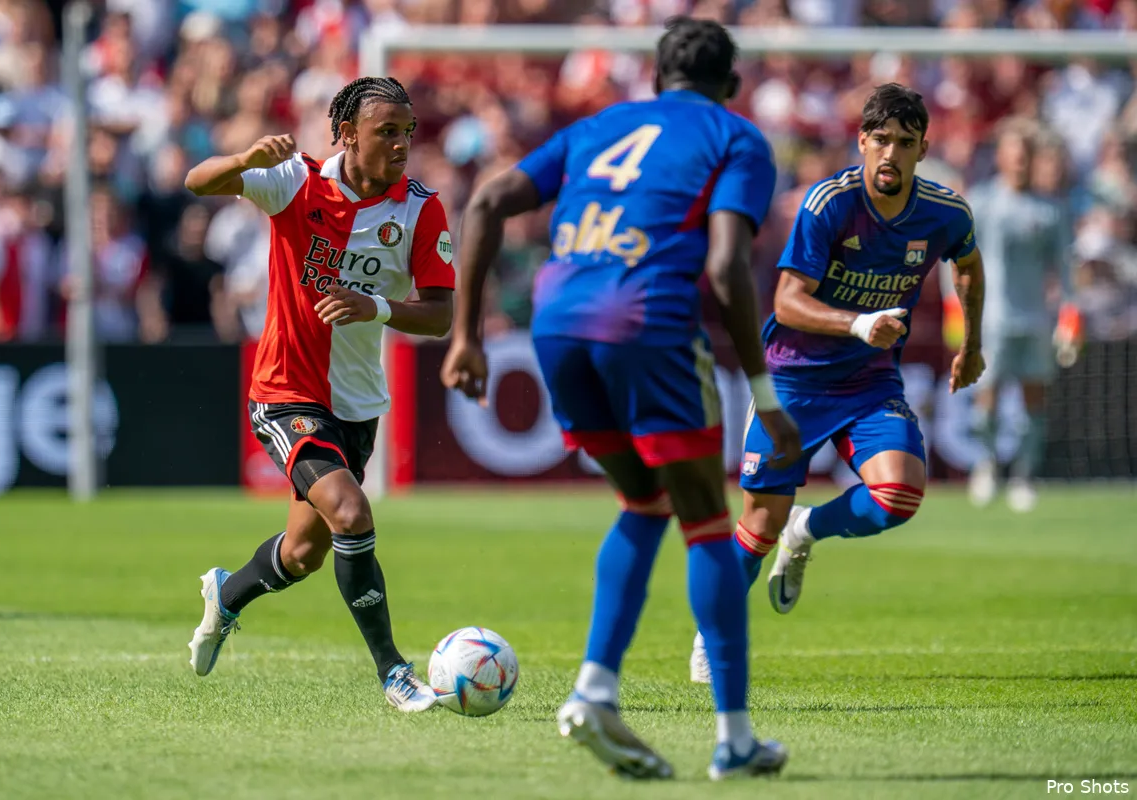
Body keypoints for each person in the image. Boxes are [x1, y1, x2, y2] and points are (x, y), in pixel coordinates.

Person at [442, 17, 801, 782]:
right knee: (708, 519)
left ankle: (596, 689)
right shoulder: (737, 139)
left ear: (654, 77)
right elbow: (731, 267)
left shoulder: (599, 126)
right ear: (729, 85)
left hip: (557, 321)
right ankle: (734, 740)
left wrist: (465, 336)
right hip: (645, 320)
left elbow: (484, 203)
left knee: (643, 505)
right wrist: (766, 395)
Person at [690, 83, 988, 682]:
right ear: (861, 141)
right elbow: (787, 300)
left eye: (905, 144)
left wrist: (972, 346)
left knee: (899, 496)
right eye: (880, 140)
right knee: (758, 526)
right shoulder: (829, 203)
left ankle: (811, 526)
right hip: (794, 379)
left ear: (923, 149)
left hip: (870, 380)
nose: (890, 155)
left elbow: (969, 267)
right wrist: (859, 322)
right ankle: (713, 633)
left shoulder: (946, 212)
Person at [182, 77, 456, 712]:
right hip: (284, 391)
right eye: (387, 131)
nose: (401, 144)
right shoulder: (294, 180)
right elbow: (199, 182)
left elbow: (439, 316)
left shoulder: (421, 208)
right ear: (347, 133)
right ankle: (394, 672)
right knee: (353, 514)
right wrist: (246, 162)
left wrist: (376, 306)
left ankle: (227, 596)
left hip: (356, 403)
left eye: (407, 132)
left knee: (303, 553)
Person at [964, 121, 1076, 512]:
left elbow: (1064, 268)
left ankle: (1025, 474)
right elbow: (957, 261)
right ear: (1001, 157)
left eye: (1025, 156)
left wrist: (1070, 314)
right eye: (1014, 155)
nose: (1020, 163)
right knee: (987, 398)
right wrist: (954, 309)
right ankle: (988, 465)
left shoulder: (1050, 210)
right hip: (990, 319)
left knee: (1034, 400)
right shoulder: (981, 202)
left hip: (1035, 319)